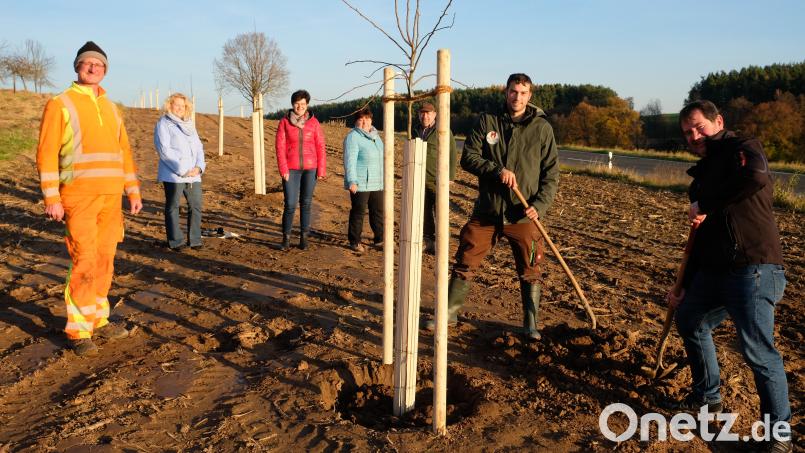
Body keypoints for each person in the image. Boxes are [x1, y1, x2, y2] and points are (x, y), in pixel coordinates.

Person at [667, 100, 791, 453]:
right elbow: (699, 240)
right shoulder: (702, 176)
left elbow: (755, 177)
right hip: (716, 271)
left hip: (754, 267)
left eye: (698, 127)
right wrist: (683, 286)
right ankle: (708, 400)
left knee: (757, 351)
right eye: (687, 132)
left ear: (718, 121)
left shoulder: (744, 150)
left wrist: (706, 203)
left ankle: (778, 436)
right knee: (690, 317)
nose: (693, 136)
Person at [425, 73, 559, 340]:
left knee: (531, 269)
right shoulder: (488, 121)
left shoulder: (542, 128)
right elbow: (468, 158)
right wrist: (497, 170)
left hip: (522, 215)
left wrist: (539, 206)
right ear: (505, 92)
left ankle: (530, 324)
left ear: (529, 96)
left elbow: (551, 174)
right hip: (488, 210)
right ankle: (448, 314)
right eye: (513, 92)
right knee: (465, 259)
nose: (517, 97)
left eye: (523, 93)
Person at [36, 41, 141, 356]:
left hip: (111, 198)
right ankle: (79, 331)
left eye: (99, 64)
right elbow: (46, 153)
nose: (94, 68)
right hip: (78, 197)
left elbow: (123, 152)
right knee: (84, 260)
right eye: (87, 63)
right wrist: (51, 197)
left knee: (105, 260)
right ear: (77, 67)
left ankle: (99, 319)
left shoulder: (111, 107)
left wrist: (132, 191)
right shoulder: (61, 103)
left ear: (105, 70)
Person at [275, 89, 326, 250]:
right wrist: (283, 168)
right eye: (297, 103)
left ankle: (304, 238)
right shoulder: (284, 122)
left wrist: (321, 169)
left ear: (307, 105)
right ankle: (286, 238)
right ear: (292, 104)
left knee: (306, 203)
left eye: (303, 104)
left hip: (311, 169)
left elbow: (320, 146)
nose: (300, 106)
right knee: (290, 204)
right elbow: (279, 147)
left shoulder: (314, 123)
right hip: (291, 169)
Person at [154, 93, 206, 250]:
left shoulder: (189, 124)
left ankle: (195, 240)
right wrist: (183, 170)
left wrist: (199, 167)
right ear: (169, 105)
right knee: (173, 206)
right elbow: (164, 150)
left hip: (194, 175)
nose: (179, 108)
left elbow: (198, 147)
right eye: (176, 105)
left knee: (196, 205)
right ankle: (175, 241)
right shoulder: (163, 123)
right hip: (173, 175)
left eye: (182, 106)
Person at [412, 102, 458, 254]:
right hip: (419, 178)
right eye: (422, 113)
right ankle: (429, 241)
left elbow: (452, 153)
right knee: (424, 211)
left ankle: (443, 243)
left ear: (435, 114)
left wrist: (450, 176)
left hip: (437, 178)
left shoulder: (443, 131)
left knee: (441, 211)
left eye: (428, 113)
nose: (425, 116)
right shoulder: (416, 130)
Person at [343, 107, 384, 253]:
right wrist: (352, 181)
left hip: (377, 182)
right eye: (360, 119)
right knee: (358, 212)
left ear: (371, 120)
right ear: (356, 122)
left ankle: (379, 239)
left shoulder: (376, 136)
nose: (364, 122)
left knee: (378, 211)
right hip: (360, 183)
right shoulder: (353, 137)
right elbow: (350, 161)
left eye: (367, 118)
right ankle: (354, 241)